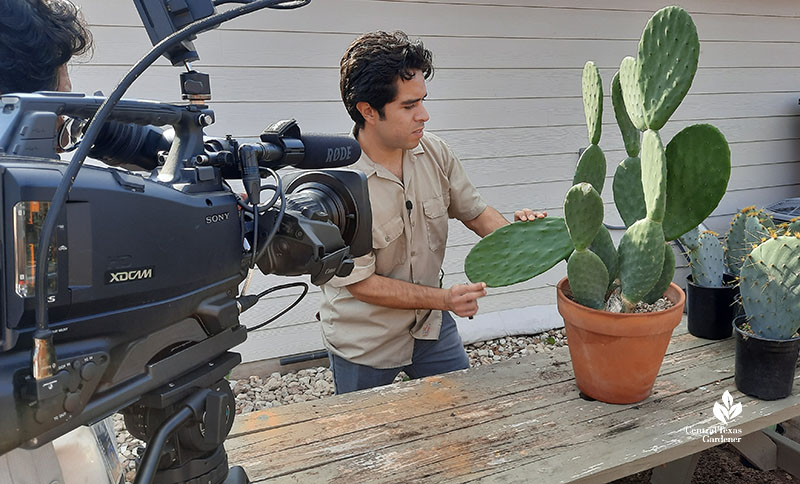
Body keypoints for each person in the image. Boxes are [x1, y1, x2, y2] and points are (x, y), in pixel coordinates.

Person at [320, 30, 546, 394]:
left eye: (422, 101)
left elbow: (475, 213)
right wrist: (446, 300)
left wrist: (524, 240)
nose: (424, 116)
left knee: (462, 419)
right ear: (368, 111)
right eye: (409, 107)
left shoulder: (435, 152)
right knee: (368, 442)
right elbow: (361, 283)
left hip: (431, 328)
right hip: (365, 345)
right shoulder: (336, 186)